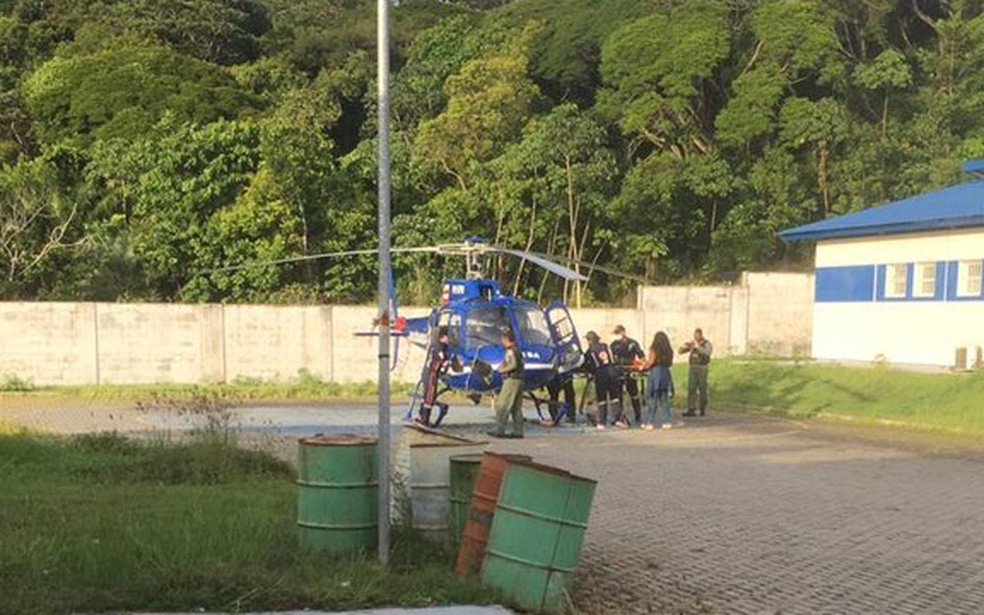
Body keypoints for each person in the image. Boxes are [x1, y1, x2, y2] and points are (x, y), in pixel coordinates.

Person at [488, 329, 525, 438]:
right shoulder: (517, 350)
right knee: (516, 407)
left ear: (506, 339)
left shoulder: (510, 351)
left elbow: (513, 365)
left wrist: (502, 370)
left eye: (502, 340)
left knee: (502, 405)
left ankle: (500, 430)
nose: (501, 342)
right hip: (520, 380)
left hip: (511, 380)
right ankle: (518, 431)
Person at [584, 331, 623, 429]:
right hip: (612, 371)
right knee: (615, 397)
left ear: (590, 340)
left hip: (601, 373)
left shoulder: (590, 350)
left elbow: (589, 364)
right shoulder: (606, 346)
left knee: (602, 398)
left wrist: (589, 371)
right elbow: (613, 359)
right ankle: (618, 419)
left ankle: (602, 422)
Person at [610, 324, 645, 425]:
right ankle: (619, 417)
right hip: (618, 371)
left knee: (633, 393)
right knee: (618, 395)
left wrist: (643, 365)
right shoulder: (614, 344)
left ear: (623, 332)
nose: (616, 336)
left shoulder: (633, 343)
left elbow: (641, 355)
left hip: (630, 370)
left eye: (617, 333)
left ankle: (638, 415)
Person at [416, 327, 451, 426]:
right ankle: (425, 420)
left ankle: (420, 415)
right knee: (429, 397)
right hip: (432, 374)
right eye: (447, 337)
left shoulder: (433, 345)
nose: (448, 339)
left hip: (425, 373)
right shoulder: (440, 347)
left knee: (425, 395)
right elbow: (442, 360)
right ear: (443, 337)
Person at [642, 331, 675, 430]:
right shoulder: (669, 350)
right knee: (664, 399)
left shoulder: (654, 348)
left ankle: (650, 422)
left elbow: (651, 361)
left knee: (653, 398)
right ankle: (666, 421)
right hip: (665, 372)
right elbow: (670, 363)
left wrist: (644, 366)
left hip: (655, 372)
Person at [679, 328, 713, 417]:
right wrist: (685, 347)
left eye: (697, 335)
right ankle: (691, 408)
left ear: (701, 335)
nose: (695, 337)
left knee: (702, 388)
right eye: (694, 335)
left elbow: (707, 353)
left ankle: (702, 407)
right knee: (691, 388)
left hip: (702, 368)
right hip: (693, 367)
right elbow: (680, 351)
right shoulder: (693, 344)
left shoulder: (707, 344)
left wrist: (698, 347)